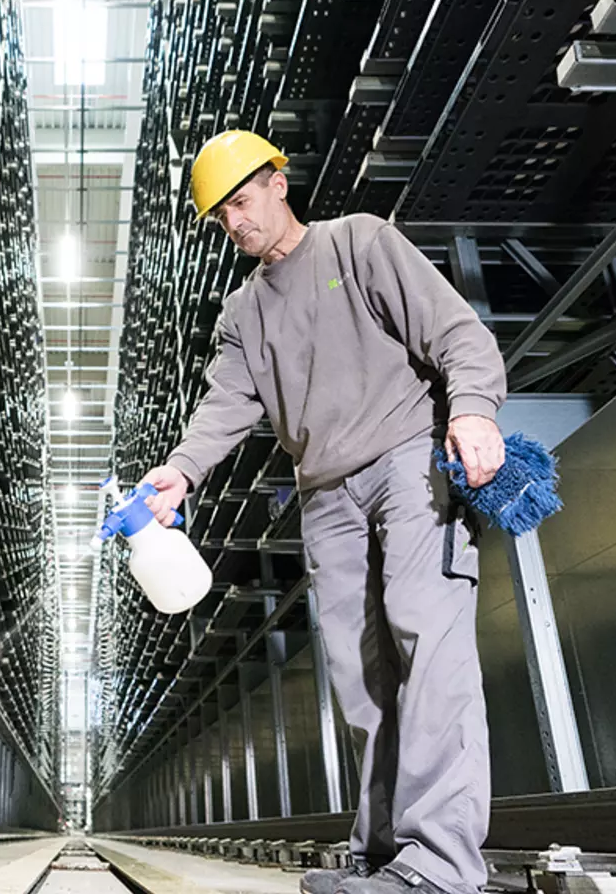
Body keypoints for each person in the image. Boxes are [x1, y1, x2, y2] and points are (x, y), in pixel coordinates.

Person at [138, 130, 507, 894]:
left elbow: (455, 330)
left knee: (424, 643)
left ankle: (441, 866)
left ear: (278, 181)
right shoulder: (243, 313)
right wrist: (180, 472)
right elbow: (226, 404)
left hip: (409, 462)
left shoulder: (358, 243)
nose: (235, 223)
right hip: (324, 495)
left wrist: (471, 410)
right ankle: (382, 853)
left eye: (241, 202)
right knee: (359, 673)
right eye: (220, 217)